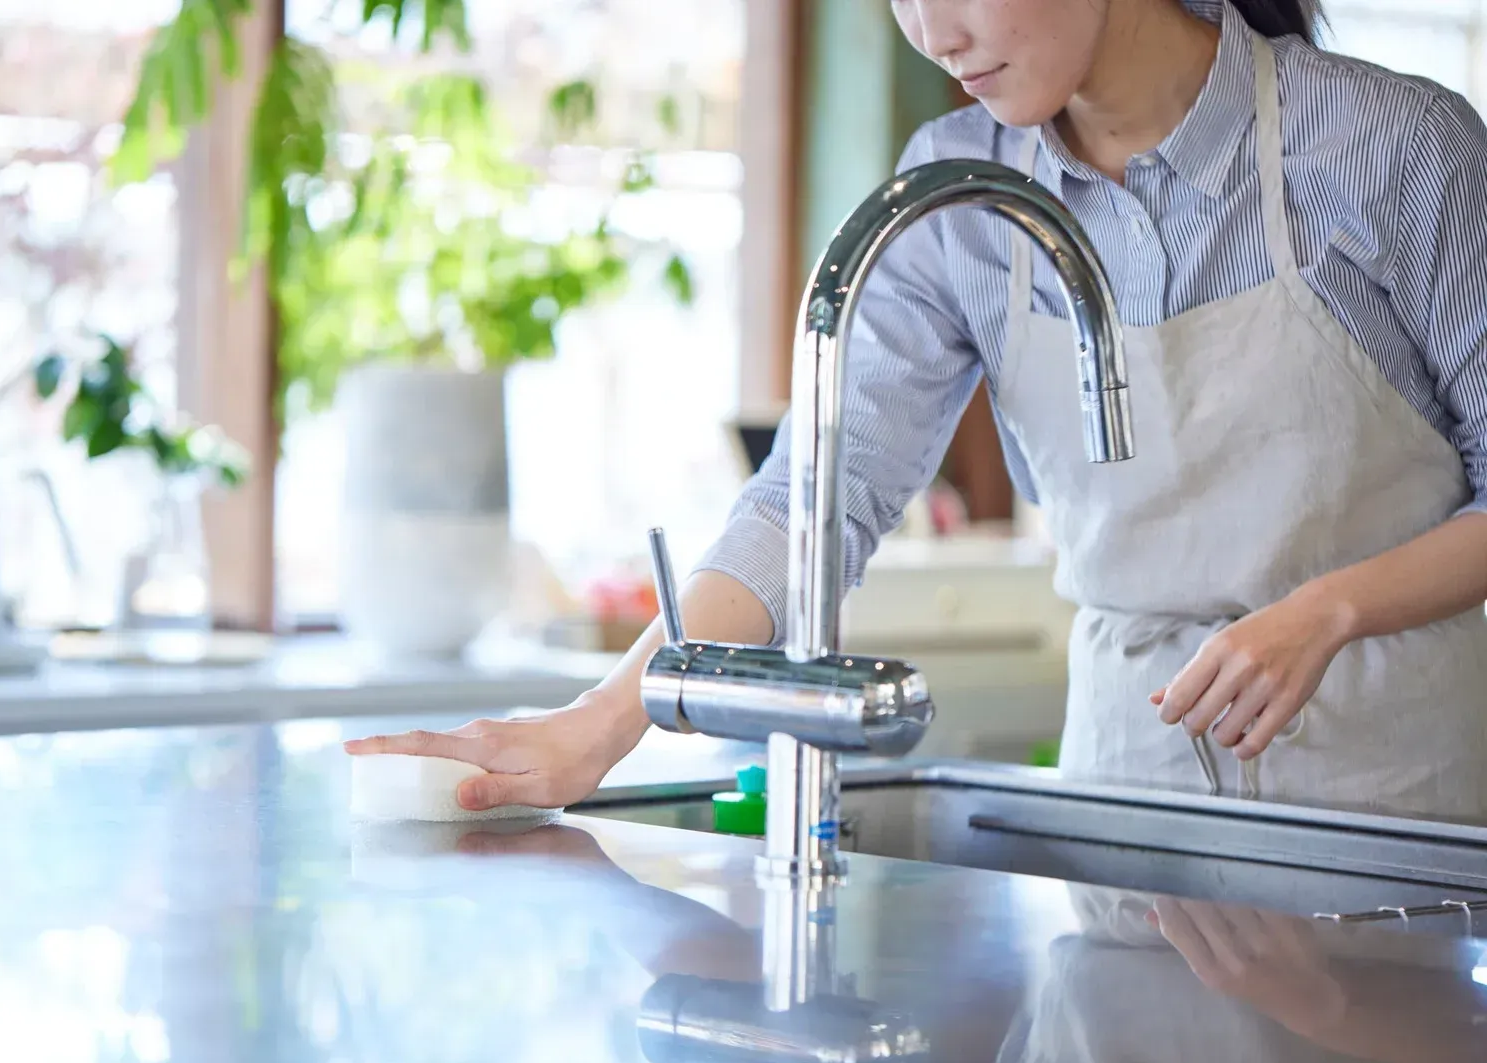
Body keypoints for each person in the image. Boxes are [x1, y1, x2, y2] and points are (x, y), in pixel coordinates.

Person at [349, 0, 1487, 818]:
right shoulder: (952, 194)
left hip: (1393, 802)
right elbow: (813, 495)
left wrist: (1326, 608)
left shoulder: (1392, 148)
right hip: (1128, 803)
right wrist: (600, 723)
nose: (929, 31)